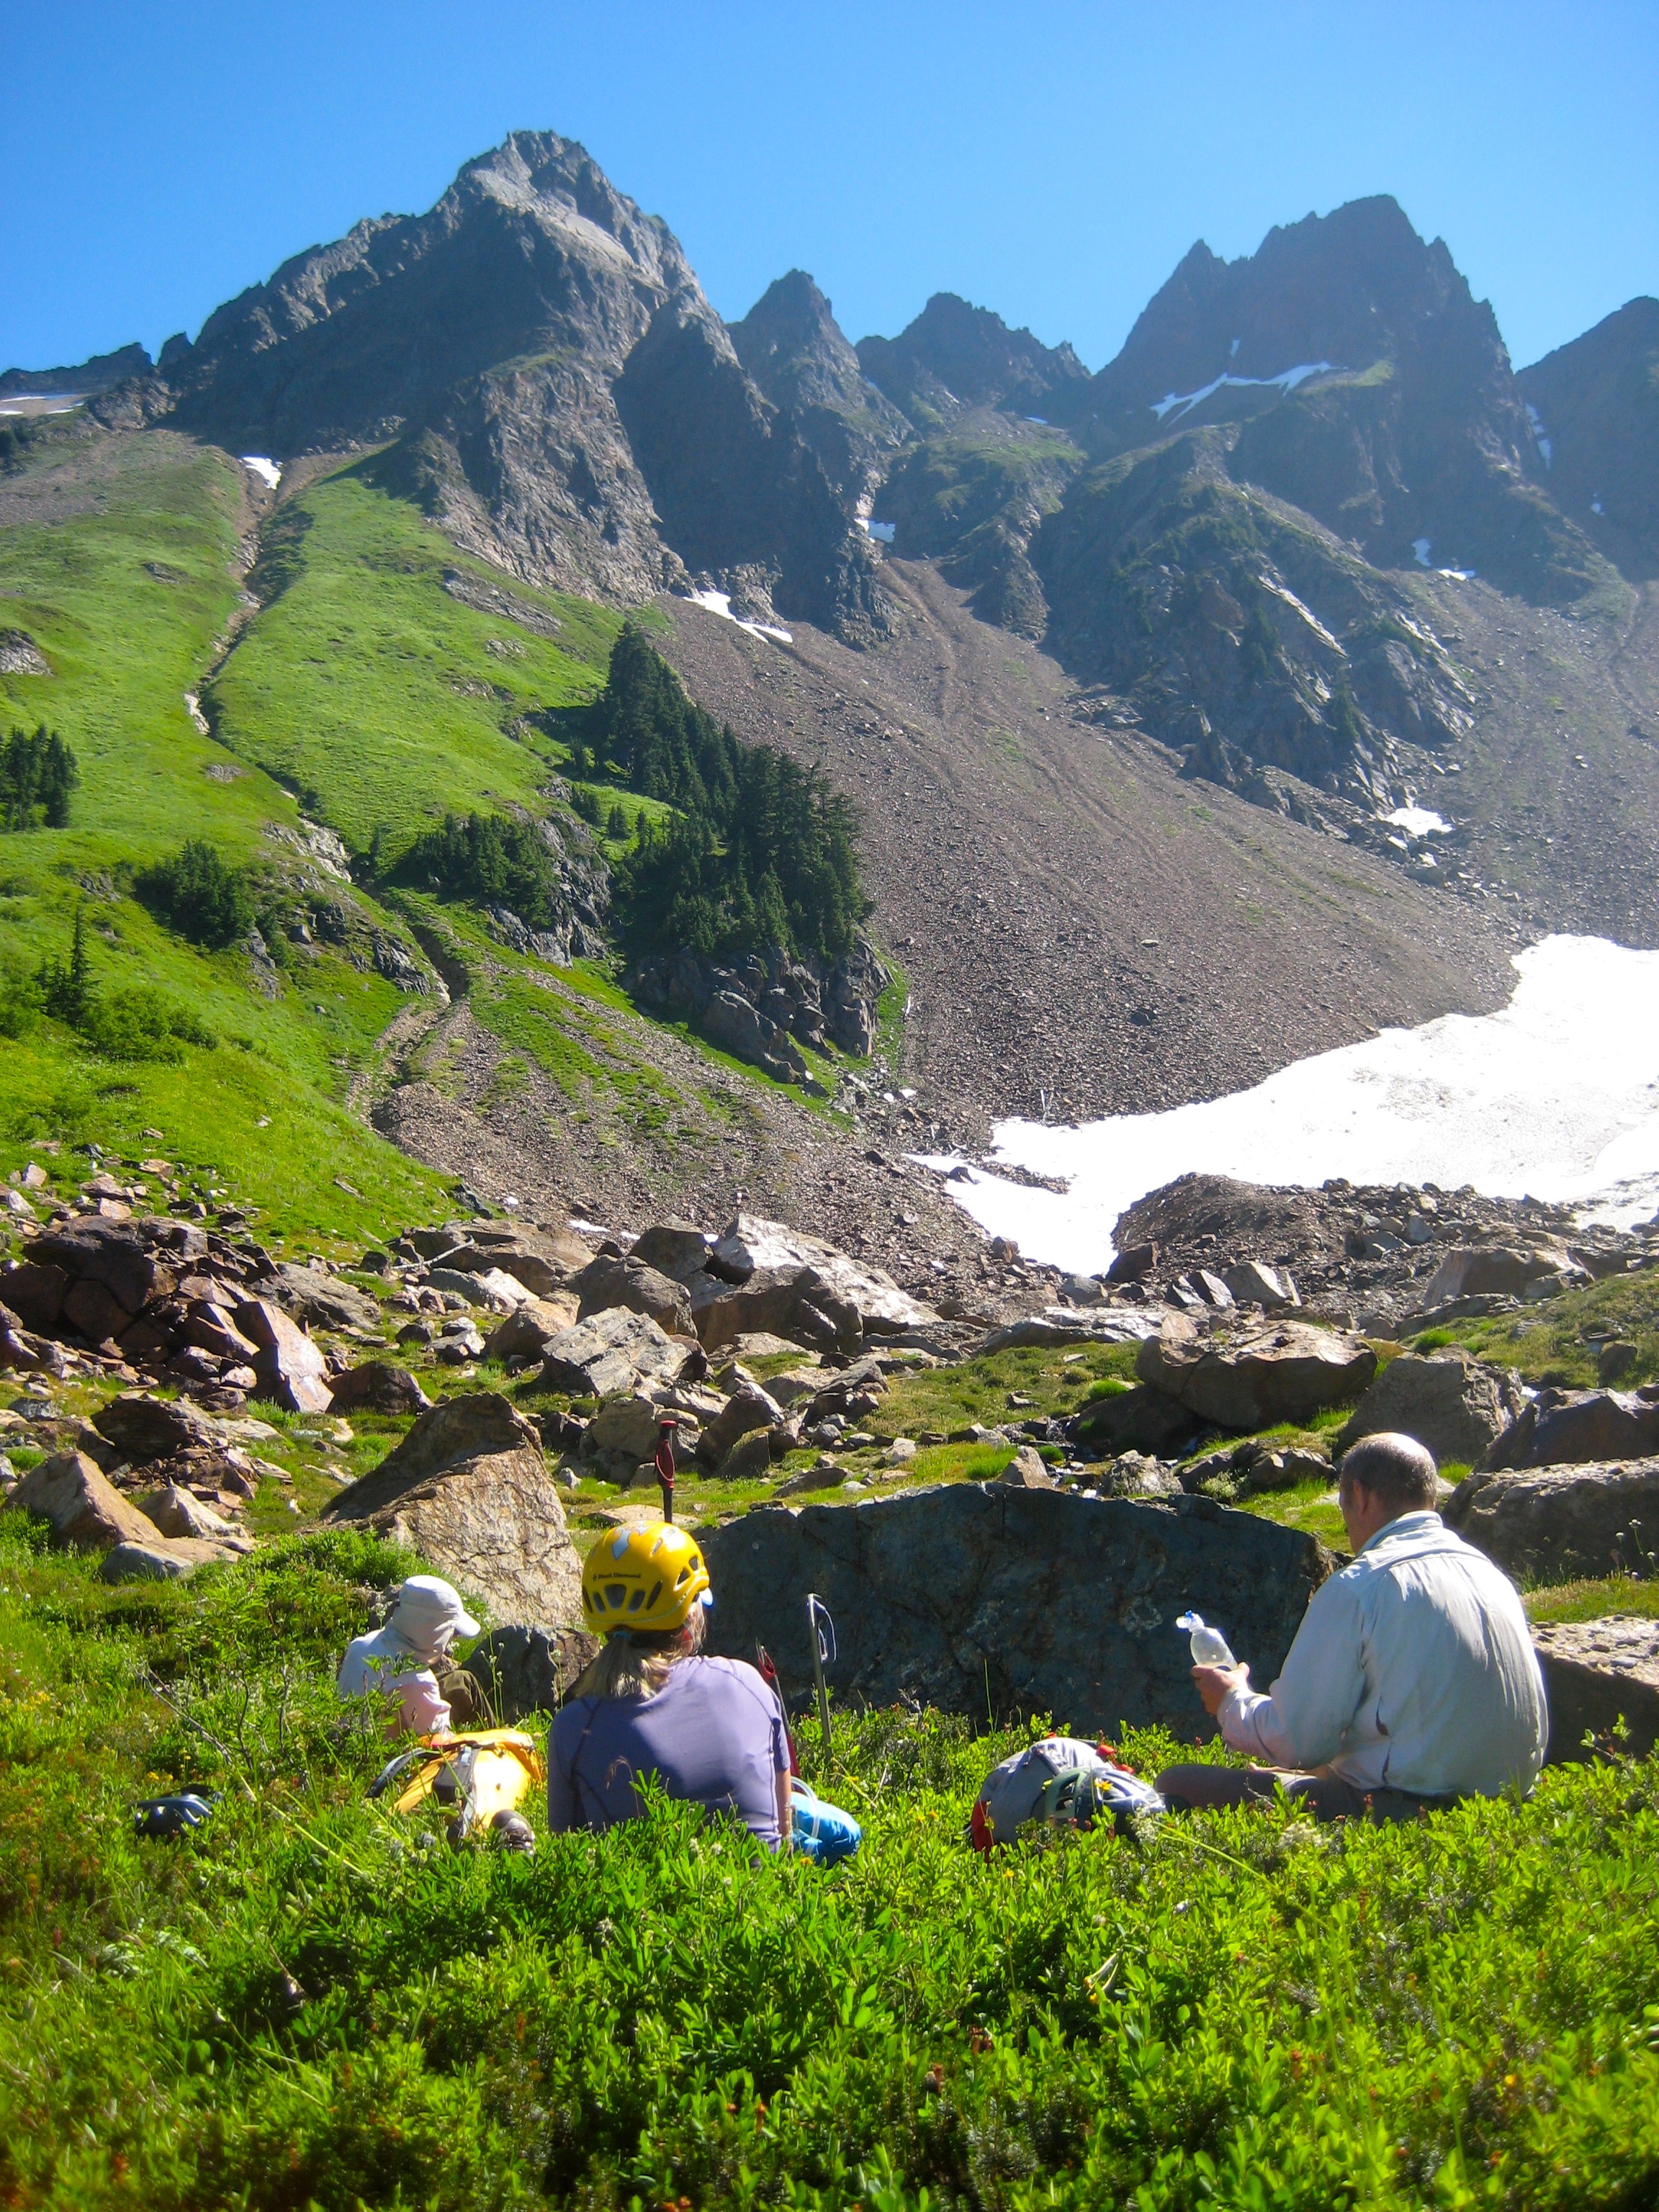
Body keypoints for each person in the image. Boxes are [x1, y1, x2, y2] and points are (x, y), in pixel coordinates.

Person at [1155, 1432, 1548, 1821]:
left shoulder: (1361, 1587)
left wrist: (1231, 1700)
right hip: (1511, 1805)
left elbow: (1296, 1740)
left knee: (1176, 1783)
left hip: (1411, 1810)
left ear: (1359, 1495)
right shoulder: (1491, 1574)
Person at [549, 1521, 792, 1847]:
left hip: (636, 1896)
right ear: (690, 1615)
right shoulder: (748, 1683)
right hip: (762, 1894)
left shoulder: (573, 1728)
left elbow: (565, 1854)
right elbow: (783, 1829)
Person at [338, 1573, 490, 1735]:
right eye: (453, 1633)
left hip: (346, 1737)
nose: (452, 1640)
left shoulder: (361, 1644)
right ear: (435, 1634)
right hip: (384, 1755)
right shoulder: (418, 1682)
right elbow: (440, 1740)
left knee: (463, 1681)